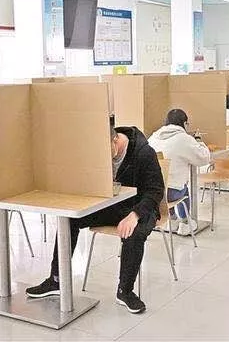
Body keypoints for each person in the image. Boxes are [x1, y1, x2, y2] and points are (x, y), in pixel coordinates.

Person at [25, 123, 164, 314]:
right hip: (111, 205)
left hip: (140, 207)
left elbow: (155, 191)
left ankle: (125, 291)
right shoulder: (97, 150)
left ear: (115, 140)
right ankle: (56, 280)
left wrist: (134, 215)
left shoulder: (144, 152)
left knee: (135, 233)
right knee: (69, 219)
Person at [148, 109, 211, 236]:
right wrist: (199, 140)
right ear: (185, 123)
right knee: (182, 186)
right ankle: (185, 223)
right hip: (171, 194)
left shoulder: (153, 137)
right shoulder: (184, 139)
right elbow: (204, 158)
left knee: (170, 182)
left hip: (151, 192)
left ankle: (171, 219)